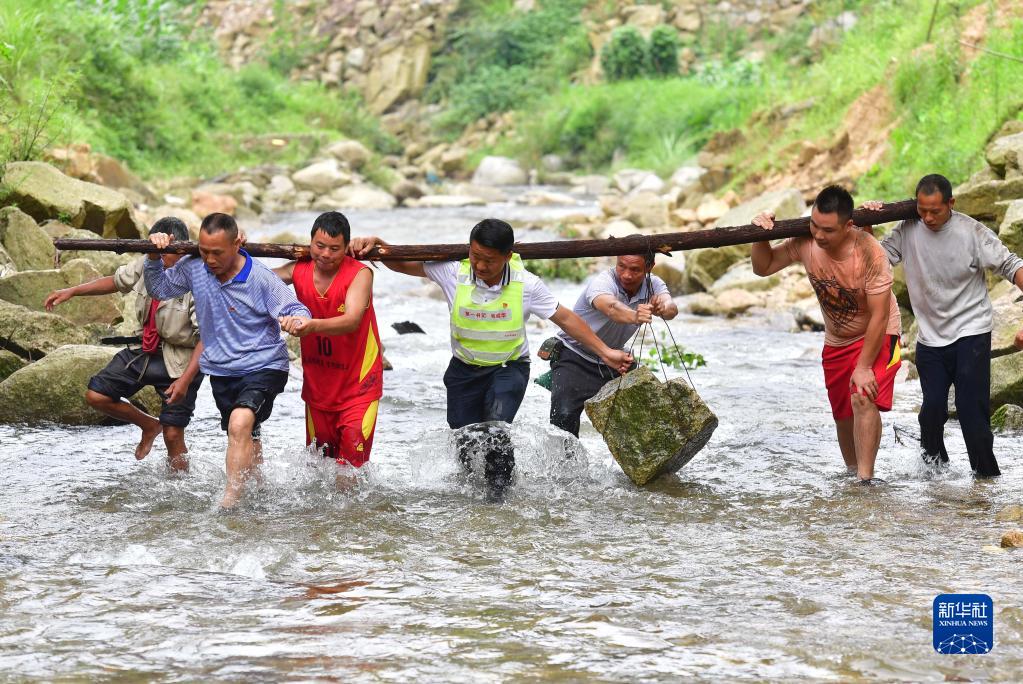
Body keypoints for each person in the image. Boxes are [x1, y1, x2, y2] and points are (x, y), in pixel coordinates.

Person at [349, 219, 633, 499]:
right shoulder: (452, 272)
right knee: (464, 435)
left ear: (508, 256)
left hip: (509, 368)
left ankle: (499, 497)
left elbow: (567, 319)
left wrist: (606, 352)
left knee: (496, 429)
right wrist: (382, 247)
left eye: (490, 261)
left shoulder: (527, 285)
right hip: (463, 369)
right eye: (475, 257)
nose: (481, 266)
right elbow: (404, 264)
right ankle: (472, 489)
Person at [144, 212, 312, 509]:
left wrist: (297, 320)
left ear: (237, 243)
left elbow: (294, 306)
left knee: (239, 423)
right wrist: (154, 257)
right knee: (247, 432)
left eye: (217, 253)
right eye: (204, 251)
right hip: (223, 369)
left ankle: (229, 504)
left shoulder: (259, 277)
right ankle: (259, 494)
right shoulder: (194, 268)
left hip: (264, 364)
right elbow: (159, 289)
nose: (209, 259)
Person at [862, 174, 1023, 477]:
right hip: (930, 338)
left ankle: (986, 478)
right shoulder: (908, 229)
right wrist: (868, 225)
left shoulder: (971, 232)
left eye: (935, 210)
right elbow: (875, 262)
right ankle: (935, 477)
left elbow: (1012, 266)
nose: (928, 217)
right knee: (931, 411)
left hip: (971, 331)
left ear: (951, 203)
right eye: (922, 210)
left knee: (970, 411)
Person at [751, 186, 902, 485]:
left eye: (828, 230)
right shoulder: (806, 241)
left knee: (862, 396)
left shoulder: (870, 252)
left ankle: (865, 481)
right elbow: (763, 267)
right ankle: (851, 473)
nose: (819, 235)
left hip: (880, 332)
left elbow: (879, 315)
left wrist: (863, 366)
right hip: (837, 340)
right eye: (814, 225)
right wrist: (761, 234)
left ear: (848, 226)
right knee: (843, 413)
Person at [44, 217, 204, 471]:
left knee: (173, 435)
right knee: (97, 394)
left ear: (182, 249)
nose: (161, 259)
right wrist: (72, 291)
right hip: (147, 350)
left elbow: (206, 339)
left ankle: (180, 490)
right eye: (156, 252)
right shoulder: (150, 261)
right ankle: (148, 424)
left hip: (182, 361)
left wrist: (184, 381)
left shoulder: (197, 279)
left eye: (166, 253)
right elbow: (116, 281)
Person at [274, 211, 384, 474]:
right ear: (309, 242)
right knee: (320, 470)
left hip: (359, 387)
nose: (325, 254)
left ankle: (353, 517)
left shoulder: (360, 274)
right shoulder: (298, 270)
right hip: (318, 389)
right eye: (319, 246)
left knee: (349, 473)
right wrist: (236, 249)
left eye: (334, 249)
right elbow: (252, 279)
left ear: (347, 248)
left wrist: (310, 326)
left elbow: (352, 320)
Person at [549, 252, 679, 437]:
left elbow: (671, 307)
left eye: (635, 270)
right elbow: (611, 307)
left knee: (646, 416)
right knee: (563, 419)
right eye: (621, 266)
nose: (626, 274)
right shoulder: (603, 282)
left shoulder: (654, 284)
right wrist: (634, 315)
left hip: (615, 360)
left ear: (649, 267)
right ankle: (565, 465)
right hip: (574, 355)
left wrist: (663, 308)